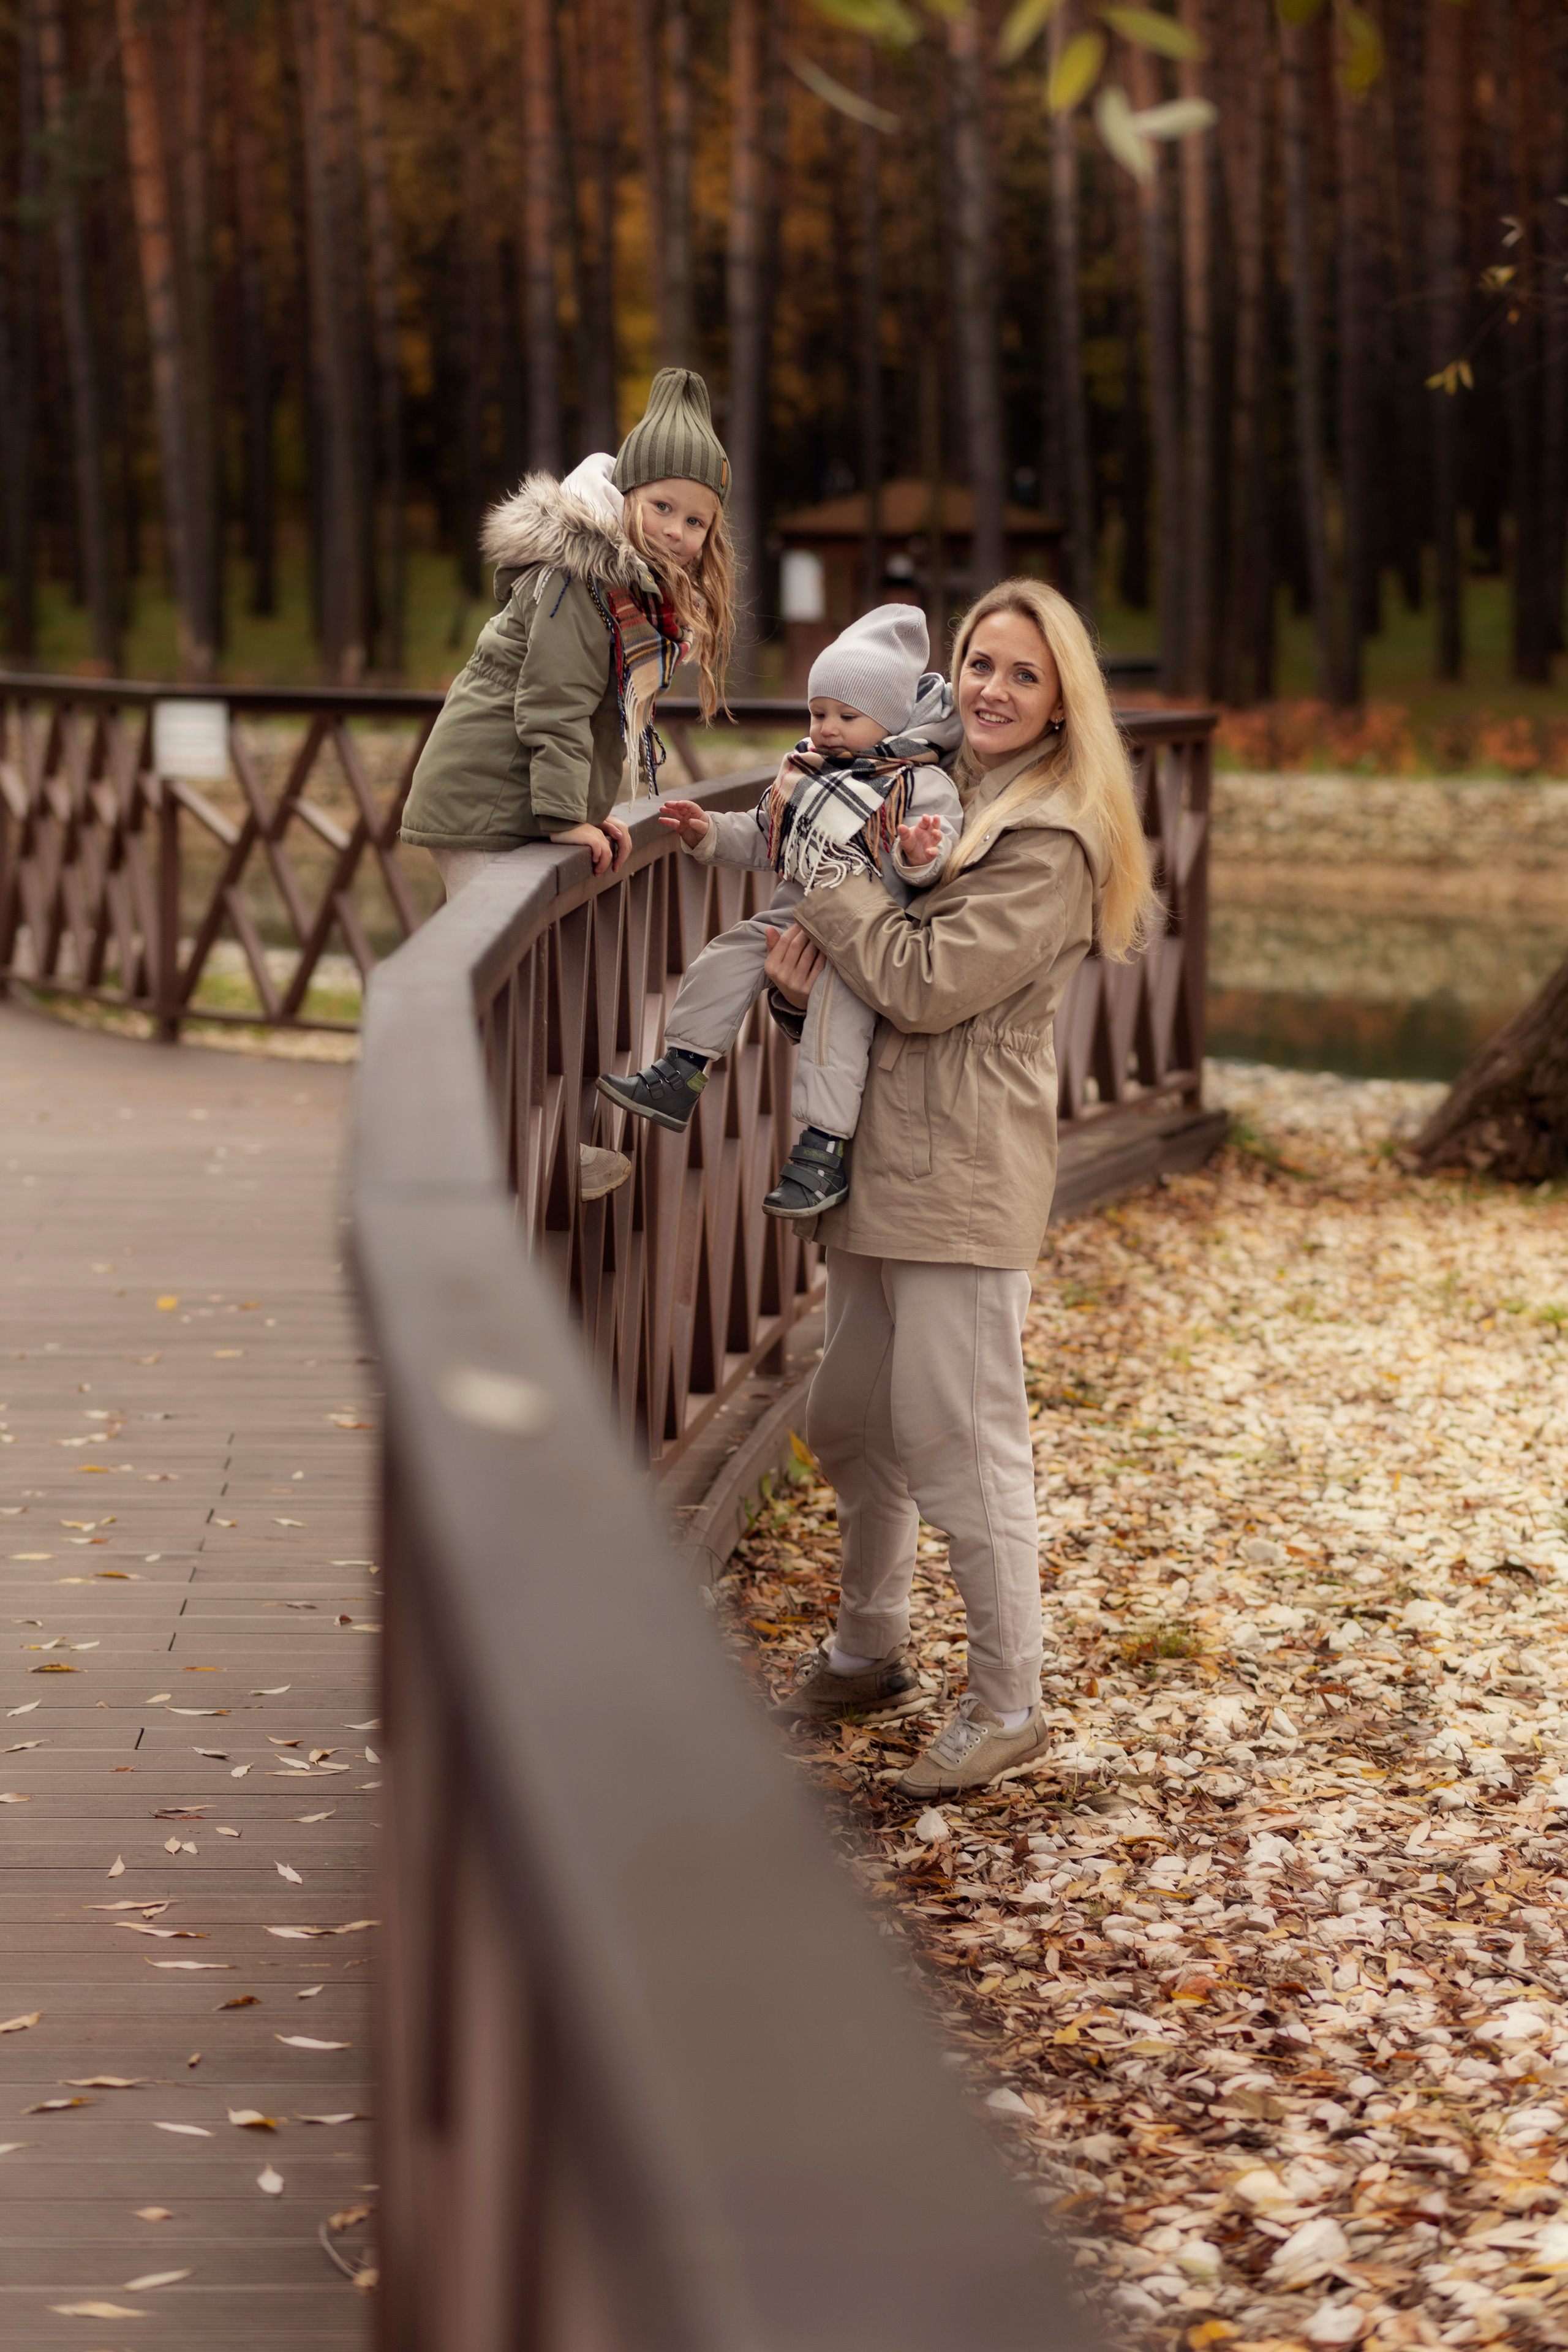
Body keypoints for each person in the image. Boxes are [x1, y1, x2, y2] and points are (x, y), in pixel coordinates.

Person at [767, 578, 1161, 1799]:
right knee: (851, 1425)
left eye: (1021, 675)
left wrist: (818, 869)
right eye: (978, 663)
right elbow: (861, 976)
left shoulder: (1049, 837)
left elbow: (925, 983)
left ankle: (1008, 1700)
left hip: (960, 1168)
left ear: (1059, 706)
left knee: (957, 1437)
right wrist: (794, 990)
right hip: (882, 1153)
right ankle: (869, 1649)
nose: (990, 689)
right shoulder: (939, 781)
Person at [398, 366, 736, 1196]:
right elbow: (552, 708)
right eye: (662, 507)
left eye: (696, 520)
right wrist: (564, 819)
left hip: (511, 800)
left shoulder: (623, 591)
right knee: (503, 986)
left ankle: (493, 1156)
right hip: (486, 798)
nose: (677, 530)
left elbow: (598, 721)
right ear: (624, 496)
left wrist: (594, 812)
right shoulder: (579, 583)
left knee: (516, 983)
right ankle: (487, 1166)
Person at [595, 605, 963, 1218]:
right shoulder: (804, 774)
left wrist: (922, 854)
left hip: (866, 939)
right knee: (731, 950)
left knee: (834, 1027)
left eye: (848, 716)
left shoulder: (919, 785)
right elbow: (767, 835)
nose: (828, 728)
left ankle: (823, 1149)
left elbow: (940, 854)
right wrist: (707, 831)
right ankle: (681, 1070)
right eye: (819, 713)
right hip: (795, 920)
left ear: (891, 719)